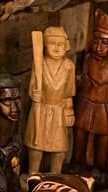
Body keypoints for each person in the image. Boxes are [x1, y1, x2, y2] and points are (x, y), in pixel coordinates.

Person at [73, 9, 108, 173]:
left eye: (105, 42)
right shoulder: (88, 59)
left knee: (103, 140)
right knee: (80, 135)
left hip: (103, 107)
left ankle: (99, 168)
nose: (99, 47)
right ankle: (77, 162)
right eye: (96, 41)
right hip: (86, 104)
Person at [24, 27, 76, 175]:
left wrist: (69, 111)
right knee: (35, 148)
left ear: (66, 46)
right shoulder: (39, 63)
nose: (57, 47)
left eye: (60, 43)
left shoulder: (68, 67)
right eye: (52, 43)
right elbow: (32, 87)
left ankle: (55, 178)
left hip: (58, 112)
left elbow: (68, 93)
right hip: (40, 109)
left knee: (59, 150)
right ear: (45, 45)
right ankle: (32, 176)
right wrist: (34, 94)